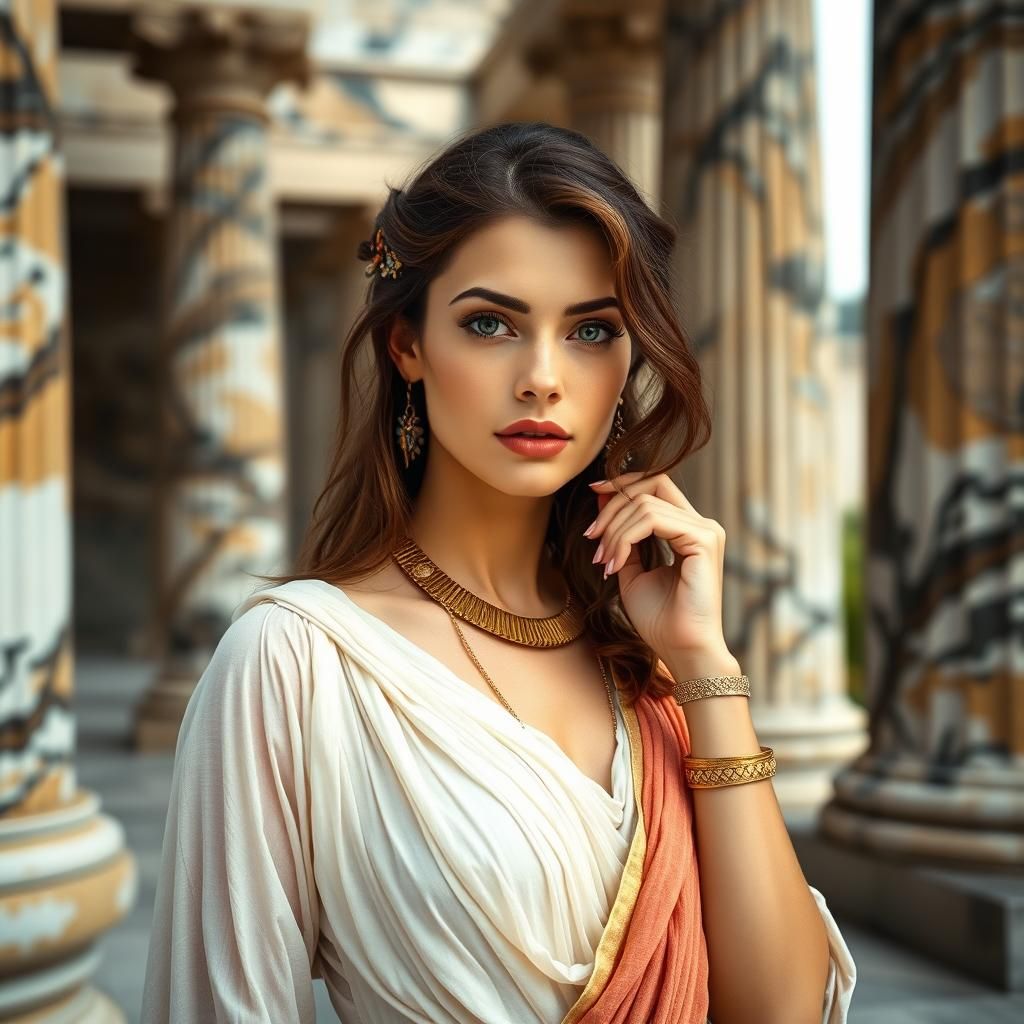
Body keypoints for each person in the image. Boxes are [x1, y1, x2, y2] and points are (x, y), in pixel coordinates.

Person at [141, 121, 856, 1023]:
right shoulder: (292, 664)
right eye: (491, 324)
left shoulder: (647, 663)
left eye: (592, 330)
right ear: (407, 345)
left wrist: (706, 670)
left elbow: (783, 1012)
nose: (543, 378)